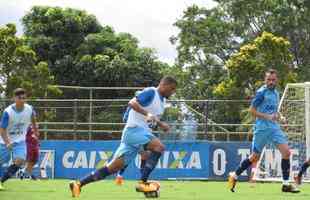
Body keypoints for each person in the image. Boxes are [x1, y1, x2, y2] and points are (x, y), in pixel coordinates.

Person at [69, 76, 177, 198]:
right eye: (172, 88)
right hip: (133, 130)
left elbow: (151, 119)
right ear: (164, 85)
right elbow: (132, 103)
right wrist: (148, 114)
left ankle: (78, 184)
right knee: (159, 147)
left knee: (112, 168)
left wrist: (160, 124)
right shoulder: (151, 92)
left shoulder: (162, 101)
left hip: (138, 134)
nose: (172, 92)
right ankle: (142, 183)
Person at [228, 69, 299, 193]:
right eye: (268, 80)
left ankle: (286, 184)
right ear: (265, 80)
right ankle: (234, 175)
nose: (271, 82)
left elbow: (275, 111)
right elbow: (252, 111)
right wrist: (267, 117)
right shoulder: (261, 93)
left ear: (276, 80)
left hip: (274, 128)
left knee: (286, 153)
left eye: (273, 79)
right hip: (262, 129)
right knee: (254, 157)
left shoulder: (276, 93)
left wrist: (280, 117)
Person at [0, 88, 38, 190]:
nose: (22, 100)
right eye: (19, 98)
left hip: (20, 141)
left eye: (24, 98)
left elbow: (33, 120)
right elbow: (2, 130)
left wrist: (36, 132)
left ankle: (1, 181)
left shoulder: (29, 109)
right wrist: (7, 143)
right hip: (4, 141)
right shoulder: (7, 112)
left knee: (20, 160)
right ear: (14, 98)